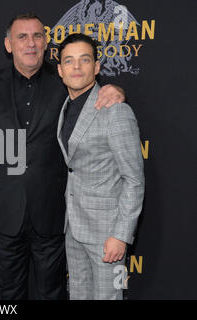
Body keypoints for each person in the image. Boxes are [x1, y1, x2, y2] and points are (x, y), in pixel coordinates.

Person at [0, 13, 125, 300]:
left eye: (37, 36)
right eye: (22, 37)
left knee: (51, 291)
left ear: (46, 42)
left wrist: (116, 90)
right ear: (8, 44)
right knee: (8, 292)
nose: (31, 43)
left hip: (53, 210)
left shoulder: (65, 80)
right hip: (4, 210)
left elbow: (96, 93)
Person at [56, 33, 144, 300]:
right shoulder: (65, 106)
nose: (77, 67)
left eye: (85, 60)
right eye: (69, 61)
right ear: (60, 70)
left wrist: (121, 235)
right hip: (74, 227)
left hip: (108, 233)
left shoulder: (115, 110)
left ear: (96, 66)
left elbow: (134, 179)